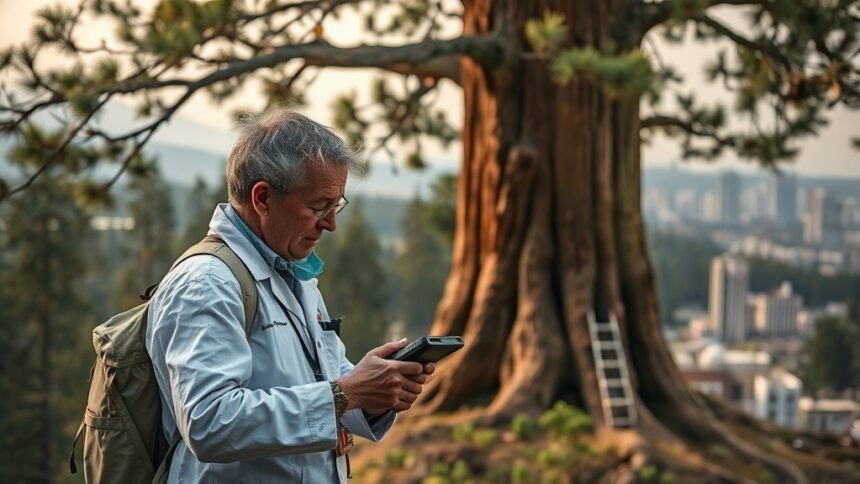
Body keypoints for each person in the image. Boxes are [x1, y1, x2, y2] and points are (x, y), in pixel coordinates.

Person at [145, 109, 434, 482]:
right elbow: (210, 422)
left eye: (337, 205)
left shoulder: (293, 274)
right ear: (263, 198)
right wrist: (346, 393)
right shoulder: (208, 283)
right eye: (319, 206)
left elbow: (323, 387)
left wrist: (375, 391)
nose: (331, 223)